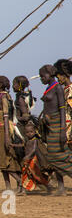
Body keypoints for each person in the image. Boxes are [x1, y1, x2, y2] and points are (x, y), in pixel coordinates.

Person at [39, 64, 72, 195]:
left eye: (43, 76)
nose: (41, 78)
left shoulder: (57, 88)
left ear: (50, 74)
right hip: (50, 126)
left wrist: (63, 129)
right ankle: (61, 188)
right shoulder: (49, 87)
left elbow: (62, 109)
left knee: (60, 155)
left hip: (58, 124)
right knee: (53, 157)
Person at [0, 76, 23, 194]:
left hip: (3, 131)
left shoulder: (4, 97)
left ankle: (20, 182)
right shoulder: (1, 96)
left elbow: (5, 116)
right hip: (0, 131)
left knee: (4, 158)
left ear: (1, 84)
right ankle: (8, 187)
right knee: (1, 159)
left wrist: (7, 137)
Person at [21, 122, 50, 192]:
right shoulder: (27, 141)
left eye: (31, 132)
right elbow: (22, 146)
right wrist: (13, 145)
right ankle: (26, 188)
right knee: (28, 174)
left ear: (35, 132)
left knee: (36, 174)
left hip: (33, 161)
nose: (29, 133)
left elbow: (34, 150)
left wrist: (28, 156)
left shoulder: (35, 141)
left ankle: (46, 185)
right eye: (27, 132)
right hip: (28, 160)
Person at [54, 59, 72, 145]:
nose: (58, 80)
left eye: (58, 77)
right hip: (65, 130)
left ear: (64, 75)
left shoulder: (71, 90)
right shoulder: (64, 91)